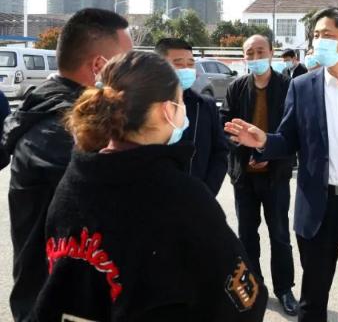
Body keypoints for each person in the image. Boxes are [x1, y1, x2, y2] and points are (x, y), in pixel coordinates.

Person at [32, 51, 267, 321]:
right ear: (166, 110)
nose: (183, 110)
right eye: (180, 101)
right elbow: (241, 301)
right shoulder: (180, 197)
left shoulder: (75, 178)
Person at [224, 7, 338, 322]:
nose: (319, 41)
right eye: (316, 35)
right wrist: (264, 141)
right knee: (312, 301)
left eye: (328, 35)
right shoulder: (303, 86)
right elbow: (288, 139)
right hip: (317, 208)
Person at [0, 8, 131, 321]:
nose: (133, 75)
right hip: (53, 302)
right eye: (127, 64)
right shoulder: (62, 128)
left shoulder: (64, 112)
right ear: (99, 66)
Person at [221, 34, 298, 316]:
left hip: (275, 175)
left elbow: (294, 131)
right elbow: (224, 124)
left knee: (279, 234)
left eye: (260, 51)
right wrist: (238, 141)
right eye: (250, 53)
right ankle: (254, 287)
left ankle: (284, 288)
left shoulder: (288, 87)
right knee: (246, 235)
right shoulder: (236, 87)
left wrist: (267, 148)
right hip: (244, 176)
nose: (255, 57)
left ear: (271, 52)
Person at [154, 38, 229, 195]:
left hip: (199, 198)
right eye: (178, 64)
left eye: (190, 64)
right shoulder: (146, 106)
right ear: (158, 66)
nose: (186, 69)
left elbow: (220, 152)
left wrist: (207, 192)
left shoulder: (205, 105)